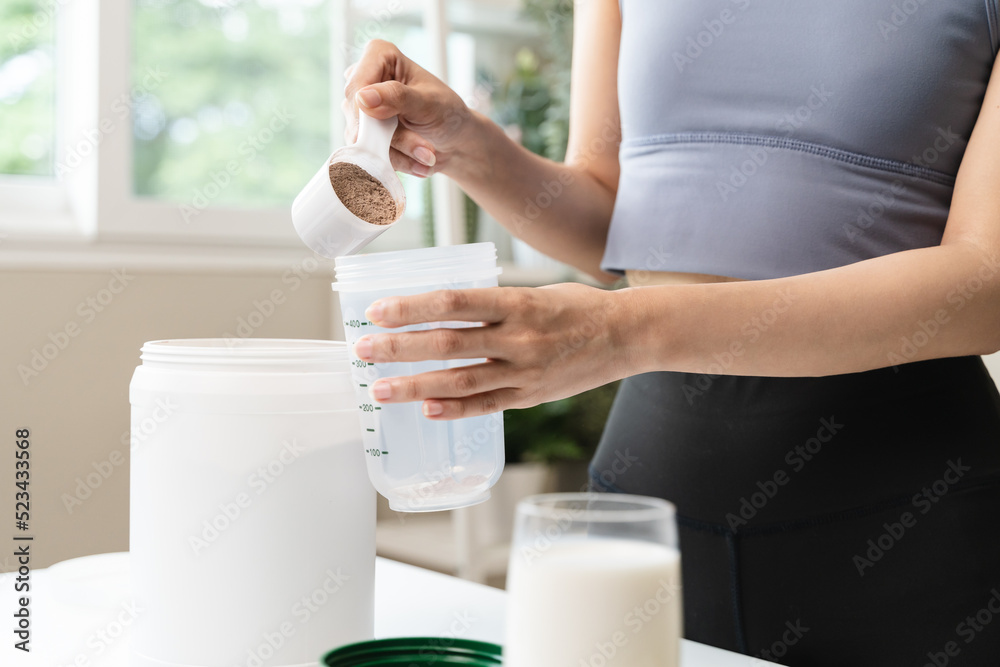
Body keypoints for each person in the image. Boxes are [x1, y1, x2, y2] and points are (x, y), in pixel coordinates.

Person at [342, 1, 1000, 664]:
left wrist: (625, 329)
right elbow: (611, 216)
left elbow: (988, 280)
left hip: (912, 506)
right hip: (651, 492)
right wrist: (469, 146)